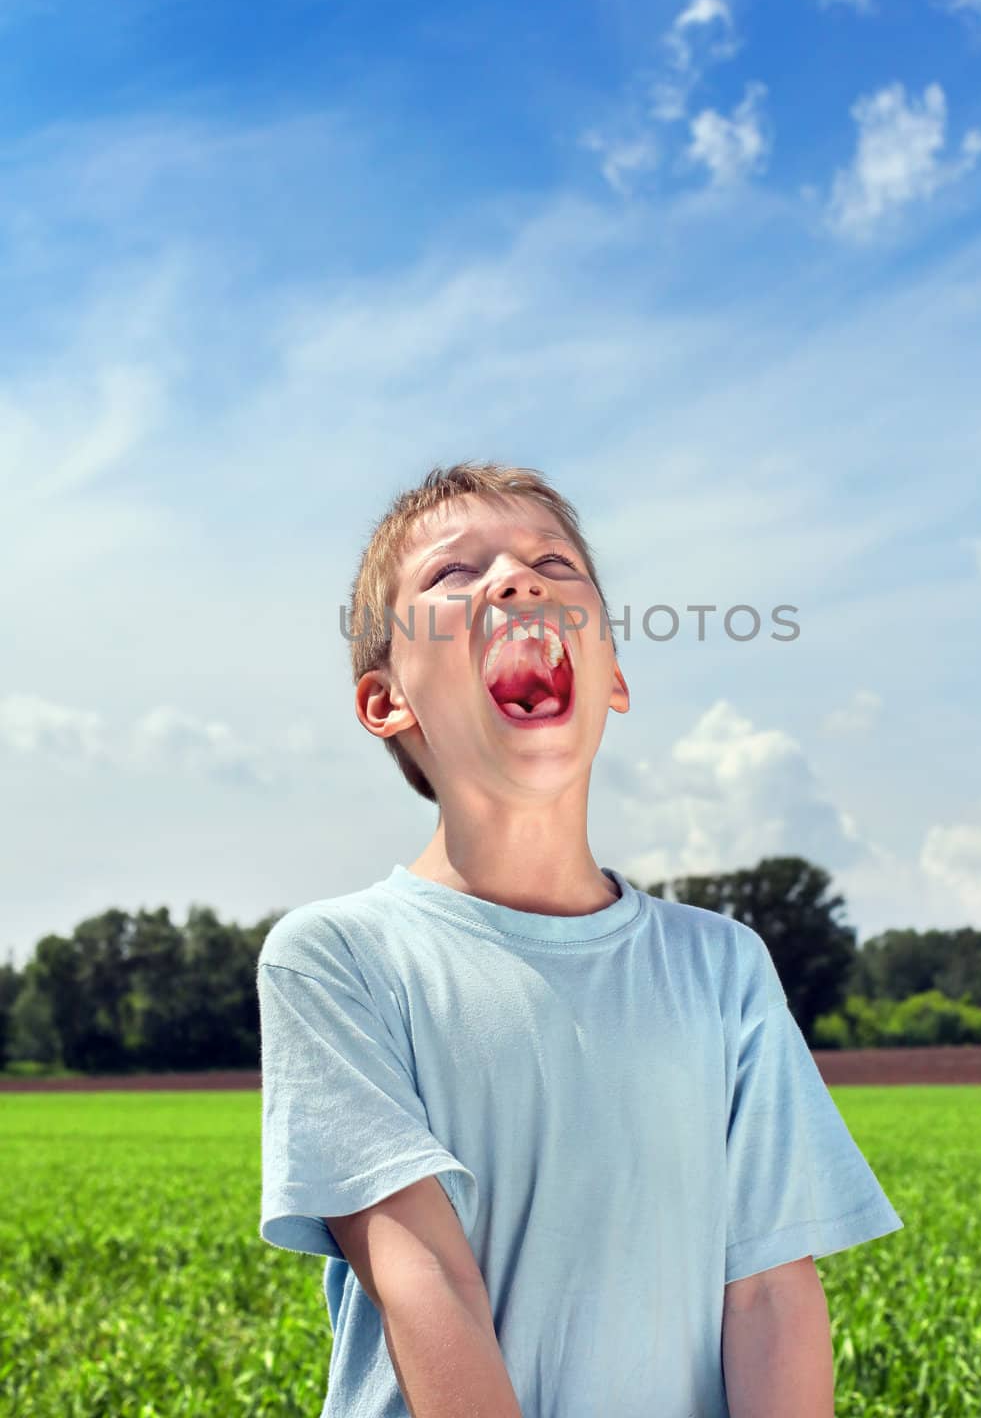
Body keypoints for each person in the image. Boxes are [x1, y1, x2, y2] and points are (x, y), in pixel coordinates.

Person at [256, 460, 903, 1418]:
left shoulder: (721, 966)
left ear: (615, 678)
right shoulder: (338, 956)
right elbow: (429, 1281)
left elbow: (768, 1289)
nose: (518, 582)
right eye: (452, 575)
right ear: (385, 701)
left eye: (554, 564)